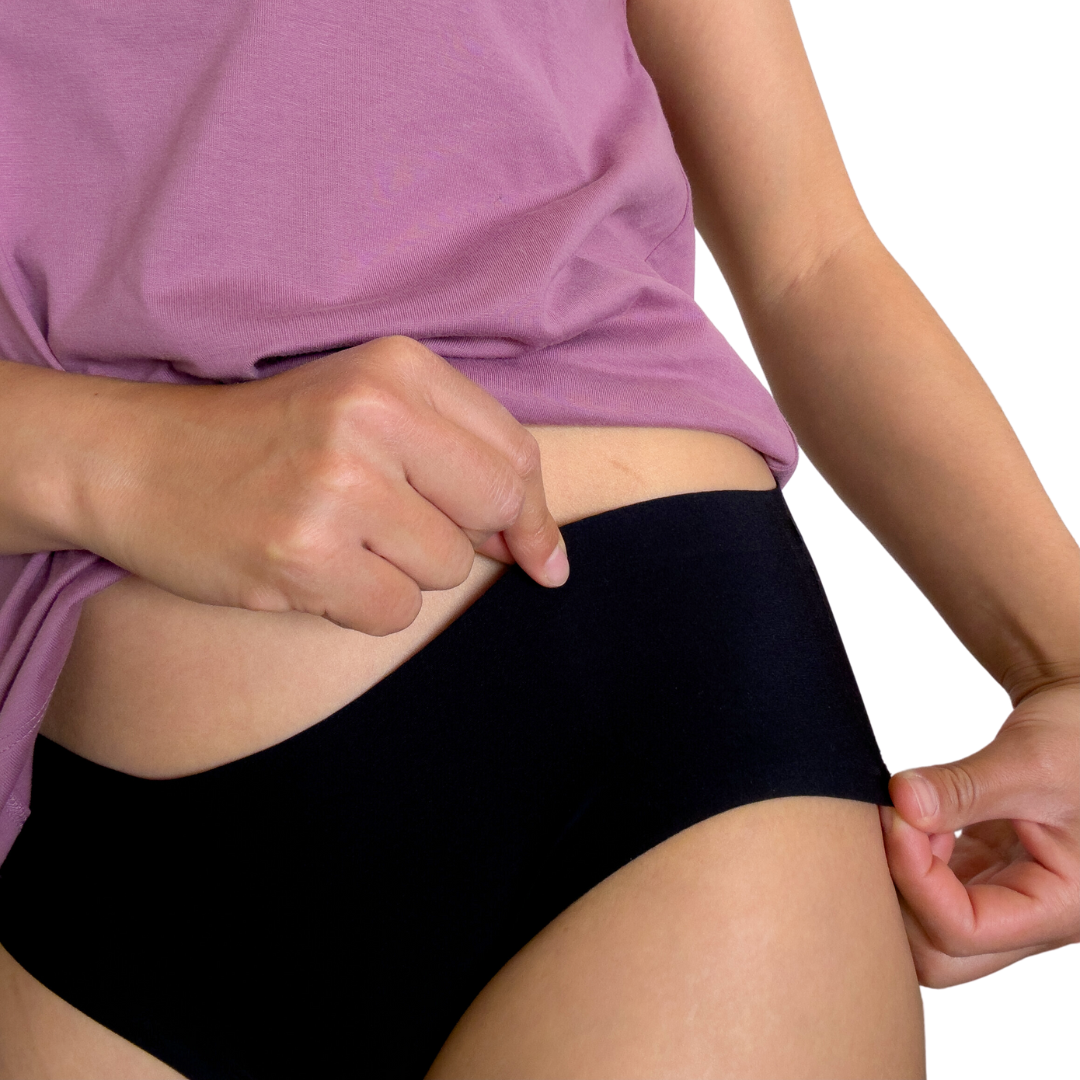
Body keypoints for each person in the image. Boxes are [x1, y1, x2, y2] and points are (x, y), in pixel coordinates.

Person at [0, 1, 1075, 1077]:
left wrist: (1068, 662)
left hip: (640, 731)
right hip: (79, 818)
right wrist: (117, 459)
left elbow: (809, 253)